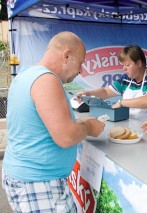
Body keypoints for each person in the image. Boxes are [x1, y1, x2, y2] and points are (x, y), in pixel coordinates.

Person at [2, 31, 105, 212]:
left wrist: (77, 122)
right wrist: (88, 126)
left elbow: (38, 123)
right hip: (39, 184)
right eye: (80, 63)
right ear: (66, 56)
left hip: (29, 178)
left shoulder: (26, 75)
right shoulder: (47, 80)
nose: (81, 71)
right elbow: (65, 137)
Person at [76, 45, 147, 121]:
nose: (124, 68)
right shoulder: (126, 78)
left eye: (127, 65)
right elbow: (106, 92)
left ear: (139, 63)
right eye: (123, 65)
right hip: (135, 124)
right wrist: (87, 93)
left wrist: (122, 103)